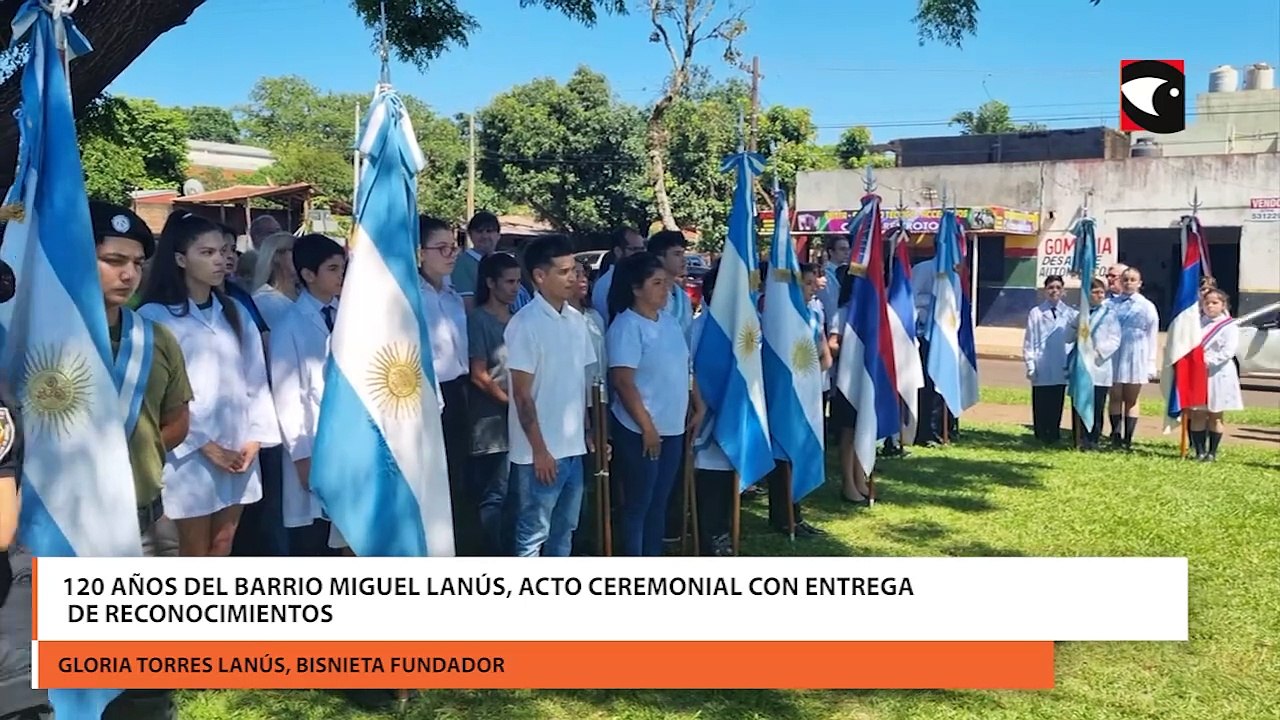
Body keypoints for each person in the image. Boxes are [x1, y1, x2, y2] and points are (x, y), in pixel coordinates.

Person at [90, 202, 196, 718]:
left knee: (147, 678)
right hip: (68, 529)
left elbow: (177, 419)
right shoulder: (43, 338)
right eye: (113, 260)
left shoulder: (154, 338)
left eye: (135, 261)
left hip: (146, 521)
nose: (128, 272)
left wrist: (140, 454)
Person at [138, 211, 281, 557]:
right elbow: (159, 398)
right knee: (192, 550)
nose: (221, 260)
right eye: (207, 253)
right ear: (180, 259)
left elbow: (256, 380)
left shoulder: (234, 310)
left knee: (223, 545)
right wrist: (205, 445)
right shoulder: (155, 317)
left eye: (223, 251)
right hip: (188, 455)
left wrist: (254, 440)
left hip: (238, 449)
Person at [607, 252, 705, 557]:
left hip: (673, 426)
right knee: (639, 503)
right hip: (640, 430)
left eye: (667, 283)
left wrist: (697, 403)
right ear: (637, 288)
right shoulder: (627, 326)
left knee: (659, 502)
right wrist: (647, 427)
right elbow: (623, 381)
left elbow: (684, 367)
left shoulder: (670, 323)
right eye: (657, 283)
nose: (666, 289)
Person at [505, 235, 596, 557]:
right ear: (540, 276)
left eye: (574, 270)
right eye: (563, 271)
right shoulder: (524, 324)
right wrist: (540, 450)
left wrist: (587, 431)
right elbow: (522, 395)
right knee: (534, 531)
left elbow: (578, 384)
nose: (573, 277)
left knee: (565, 528)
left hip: (572, 446)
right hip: (539, 452)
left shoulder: (576, 320)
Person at [268, 234, 346, 556]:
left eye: (343, 268)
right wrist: (301, 456)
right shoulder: (289, 325)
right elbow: (287, 397)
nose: (341, 276)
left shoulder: (350, 316)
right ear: (308, 274)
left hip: (348, 439)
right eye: (332, 269)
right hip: (311, 440)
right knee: (315, 538)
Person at [417, 216, 476, 555]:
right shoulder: (411, 298)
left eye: (453, 247)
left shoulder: (452, 295)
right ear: (419, 252)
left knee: (458, 478)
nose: (450, 254)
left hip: (458, 391)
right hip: (427, 395)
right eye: (441, 248)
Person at [765, 263, 832, 536]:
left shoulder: (813, 313)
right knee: (784, 457)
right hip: (785, 397)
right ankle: (783, 517)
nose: (812, 287)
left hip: (807, 391)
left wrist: (811, 374)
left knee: (800, 453)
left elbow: (823, 353)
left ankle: (797, 515)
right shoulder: (781, 318)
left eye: (812, 282)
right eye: (806, 283)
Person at [466, 252, 522, 555]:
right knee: (494, 494)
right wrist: (510, 403)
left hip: (518, 418)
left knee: (515, 492)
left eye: (517, 281)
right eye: (509, 281)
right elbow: (479, 374)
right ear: (491, 283)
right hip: (491, 421)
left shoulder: (518, 321)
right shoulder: (478, 320)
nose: (515, 288)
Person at [572, 259, 609, 556]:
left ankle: (596, 534)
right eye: (575, 274)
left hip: (600, 401)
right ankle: (578, 539)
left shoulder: (595, 316)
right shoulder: (562, 319)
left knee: (598, 473)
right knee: (579, 480)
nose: (582, 279)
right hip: (575, 407)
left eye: (585, 274)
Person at [827, 266, 871, 505]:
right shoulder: (843, 313)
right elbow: (833, 343)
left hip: (864, 378)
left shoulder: (870, 312)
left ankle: (859, 478)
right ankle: (848, 484)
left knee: (861, 429)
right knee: (848, 433)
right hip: (846, 380)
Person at [1107, 267, 1160, 450]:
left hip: (1137, 352)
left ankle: (1128, 438)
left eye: (1133, 279)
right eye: (1126, 279)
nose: (1129, 283)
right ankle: (1115, 434)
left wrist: (1151, 363)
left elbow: (1152, 335)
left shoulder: (1146, 306)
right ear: (1120, 282)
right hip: (1114, 352)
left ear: (1139, 283)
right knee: (1115, 395)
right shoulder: (1111, 304)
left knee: (1131, 398)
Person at [1066, 278, 1122, 450]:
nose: (1099, 295)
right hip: (1082, 365)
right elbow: (1068, 337)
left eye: (1101, 292)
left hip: (1099, 366)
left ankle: (1093, 439)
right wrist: (1075, 326)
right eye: (1095, 292)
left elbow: (1115, 339)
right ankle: (1078, 437)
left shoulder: (1109, 314)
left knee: (1097, 404)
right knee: (1079, 401)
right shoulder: (1080, 314)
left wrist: (1098, 352)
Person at [1188, 290, 1243, 462]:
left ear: (1223, 305)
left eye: (1215, 303)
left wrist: (1206, 361)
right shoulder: (1196, 323)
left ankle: (1212, 452)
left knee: (1215, 414)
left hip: (1218, 373)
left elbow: (1228, 351)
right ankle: (1199, 451)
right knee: (1197, 413)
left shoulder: (1229, 326)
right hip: (1198, 373)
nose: (1210, 306)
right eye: (1207, 303)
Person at [1022, 275, 1077, 444]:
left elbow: (1075, 336)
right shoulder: (1036, 313)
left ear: (1063, 291)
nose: (1055, 291)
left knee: (1056, 400)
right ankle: (1040, 433)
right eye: (1051, 287)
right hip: (1042, 362)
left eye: (1058, 287)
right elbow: (1029, 340)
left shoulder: (1071, 313)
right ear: (1045, 291)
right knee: (1041, 400)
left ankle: (1054, 433)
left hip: (1061, 361)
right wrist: (1030, 363)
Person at [590, 227, 647, 326]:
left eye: (642, 249)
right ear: (618, 251)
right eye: (634, 249)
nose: (640, 254)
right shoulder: (606, 284)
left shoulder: (638, 277)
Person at [453, 211, 503, 312]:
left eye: (489, 231)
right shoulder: (462, 264)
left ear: (498, 235)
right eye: (479, 231)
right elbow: (468, 307)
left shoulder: (503, 262)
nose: (484, 236)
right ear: (470, 235)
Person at [250, 230, 300, 330]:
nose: (301, 256)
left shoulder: (306, 295)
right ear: (276, 256)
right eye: (295, 250)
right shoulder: (262, 301)